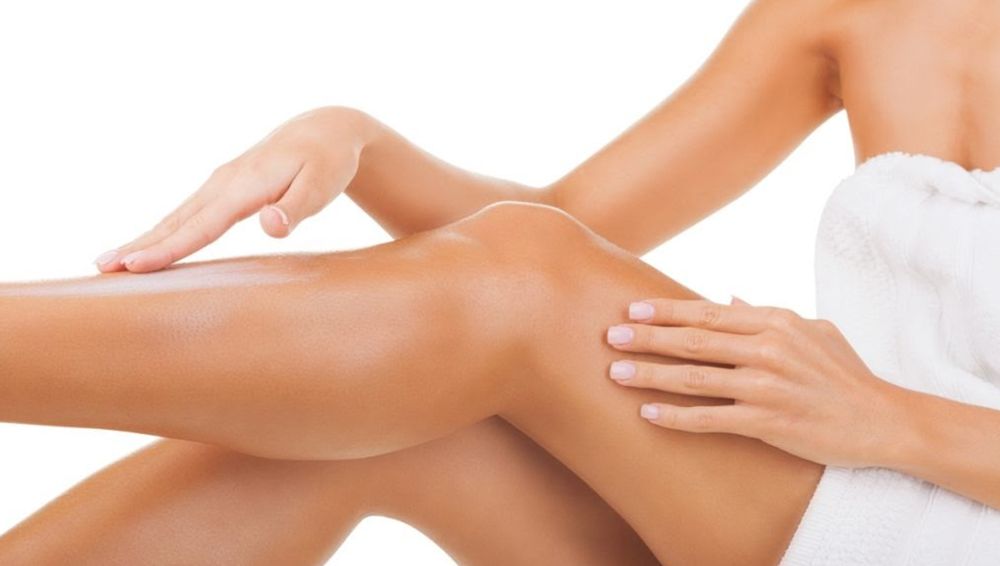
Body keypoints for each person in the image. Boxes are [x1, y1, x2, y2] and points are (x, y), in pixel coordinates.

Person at [3, 0, 1000, 564]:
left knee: (525, 287)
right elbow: (565, 231)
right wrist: (362, 143)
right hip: (826, 497)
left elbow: (534, 285)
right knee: (395, 417)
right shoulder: (848, 16)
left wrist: (887, 416)